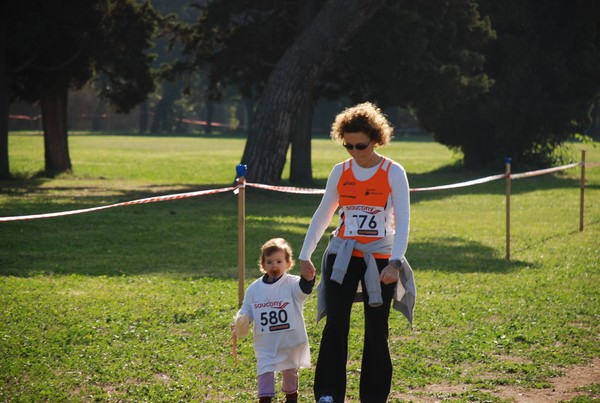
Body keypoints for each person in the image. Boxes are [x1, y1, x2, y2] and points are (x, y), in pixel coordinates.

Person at [298, 102, 415, 403]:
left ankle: (374, 396)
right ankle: (327, 393)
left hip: (379, 256)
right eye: (347, 145)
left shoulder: (393, 172)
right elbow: (324, 213)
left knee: (377, 329)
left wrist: (395, 262)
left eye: (360, 145)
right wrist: (305, 254)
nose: (353, 151)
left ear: (376, 139)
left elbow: (403, 221)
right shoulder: (341, 172)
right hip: (343, 254)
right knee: (336, 324)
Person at [233, 238, 316, 403]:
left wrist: (307, 280)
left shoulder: (292, 283)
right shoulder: (254, 289)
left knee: (290, 369)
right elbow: (247, 308)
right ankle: (265, 398)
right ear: (263, 264)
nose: (274, 266)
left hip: (289, 340)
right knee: (264, 368)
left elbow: (302, 292)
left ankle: (291, 395)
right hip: (267, 342)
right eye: (269, 262)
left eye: (279, 261)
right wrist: (242, 320)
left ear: (288, 263)